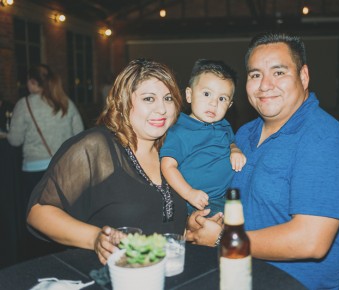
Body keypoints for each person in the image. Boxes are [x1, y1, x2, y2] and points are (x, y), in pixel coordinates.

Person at [187, 33, 339, 290]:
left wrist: (223, 238)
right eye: (255, 75)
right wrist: (200, 221)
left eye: (278, 73)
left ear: (303, 76)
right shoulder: (243, 134)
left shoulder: (323, 139)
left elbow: (311, 241)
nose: (265, 85)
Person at [26, 59, 218, 265]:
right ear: (124, 102)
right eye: (148, 99)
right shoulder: (96, 147)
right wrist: (95, 238)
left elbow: (159, 222)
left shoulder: (173, 152)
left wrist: (190, 230)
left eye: (168, 98)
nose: (162, 109)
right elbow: (38, 212)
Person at [7, 64, 84, 260]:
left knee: (38, 222)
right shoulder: (65, 101)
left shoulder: (25, 105)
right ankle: (66, 258)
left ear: (33, 82)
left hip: (35, 172)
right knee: (64, 218)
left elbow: (14, 139)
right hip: (64, 171)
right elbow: (81, 136)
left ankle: (41, 262)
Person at [160, 59, 246, 217]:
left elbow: (231, 142)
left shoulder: (224, 125)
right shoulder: (179, 129)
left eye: (222, 99)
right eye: (207, 94)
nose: (214, 103)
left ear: (230, 105)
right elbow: (167, 166)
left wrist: (235, 150)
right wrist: (189, 193)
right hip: (195, 202)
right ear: (189, 95)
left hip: (223, 197)